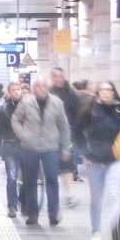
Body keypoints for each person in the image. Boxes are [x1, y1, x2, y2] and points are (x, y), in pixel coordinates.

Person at [76, 81, 120, 240]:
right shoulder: (90, 111)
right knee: (96, 197)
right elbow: (77, 131)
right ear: (97, 93)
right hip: (94, 159)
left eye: (109, 90)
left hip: (116, 158)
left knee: (115, 195)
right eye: (103, 90)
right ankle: (96, 231)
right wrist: (83, 152)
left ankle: (116, 231)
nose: (107, 93)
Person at [12, 77, 71, 226]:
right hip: (29, 147)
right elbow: (15, 119)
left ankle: (53, 213)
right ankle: (32, 214)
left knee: (52, 179)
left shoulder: (57, 103)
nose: (40, 89)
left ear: (48, 87)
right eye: (37, 86)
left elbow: (64, 126)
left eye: (43, 86)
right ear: (33, 88)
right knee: (30, 181)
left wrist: (65, 146)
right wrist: (23, 135)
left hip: (50, 147)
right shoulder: (26, 102)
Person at [51, 68, 84, 204]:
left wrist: (73, 127)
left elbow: (78, 112)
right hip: (50, 134)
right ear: (52, 78)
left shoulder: (71, 94)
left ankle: (69, 195)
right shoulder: (48, 92)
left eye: (61, 76)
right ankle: (53, 194)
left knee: (67, 164)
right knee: (51, 165)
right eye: (56, 76)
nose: (59, 78)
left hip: (66, 134)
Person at [0, 80, 25, 217]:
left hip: (26, 146)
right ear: (9, 92)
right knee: (11, 177)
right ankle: (12, 206)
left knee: (26, 177)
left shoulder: (29, 106)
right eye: (14, 90)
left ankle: (24, 202)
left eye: (19, 89)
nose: (17, 92)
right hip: (10, 146)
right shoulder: (3, 109)